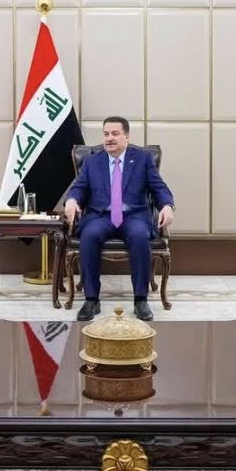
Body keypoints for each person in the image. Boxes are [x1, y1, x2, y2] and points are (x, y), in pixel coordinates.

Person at [64, 116, 174, 322]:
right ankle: (91, 300)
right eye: (106, 134)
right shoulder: (92, 161)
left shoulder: (142, 159)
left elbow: (159, 187)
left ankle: (140, 300)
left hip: (134, 216)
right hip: (101, 216)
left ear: (126, 137)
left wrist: (167, 206)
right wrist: (71, 200)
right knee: (89, 235)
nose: (109, 138)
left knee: (140, 236)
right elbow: (79, 187)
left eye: (115, 134)